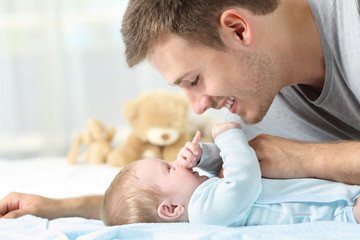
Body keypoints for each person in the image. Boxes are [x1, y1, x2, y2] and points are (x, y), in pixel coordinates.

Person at [1, 0, 359, 220]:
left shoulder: (351, 20)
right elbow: (189, 203)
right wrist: (68, 207)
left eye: (194, 80)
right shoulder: (249, 104)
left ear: (237, 30)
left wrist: (307, 159)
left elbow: (289, 164)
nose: (199, 105)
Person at [101, 122, 360, 226]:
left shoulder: (208, 197)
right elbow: (243, 179)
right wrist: (228, 136)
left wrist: (203, 156)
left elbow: (225, 171)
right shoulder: (206, 214)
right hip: (340, 211)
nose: (177, 164)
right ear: (171, 209)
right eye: (169, 169)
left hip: (341, 195)